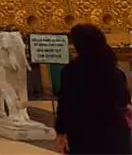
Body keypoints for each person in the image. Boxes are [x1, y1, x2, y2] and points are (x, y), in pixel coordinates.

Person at [55, 23, 130, 154]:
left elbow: (66, 104)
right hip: (115, 134)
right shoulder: (115, 72)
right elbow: (124, 101)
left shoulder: (71, 72)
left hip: (84, 135)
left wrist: (61, 131)